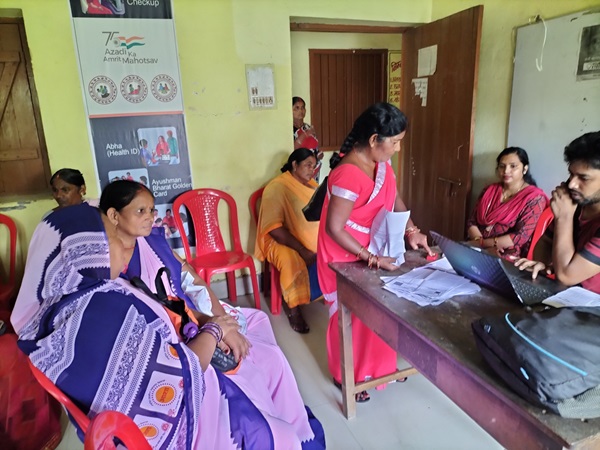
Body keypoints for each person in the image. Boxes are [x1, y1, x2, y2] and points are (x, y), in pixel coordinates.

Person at [11, 202, 325, 450]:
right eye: (111, 239)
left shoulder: (75, 303)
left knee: (260, 368)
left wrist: (209, 325)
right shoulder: (99, 316)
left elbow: (183, 287)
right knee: (276, 427)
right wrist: (214, 330)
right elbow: (183, 374)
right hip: (180, 421)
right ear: (84, 252)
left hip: (171, 389)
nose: (123, 245)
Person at [98, 180, 325, 448]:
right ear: (114, 216)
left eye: (151, 210)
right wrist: (216, 330)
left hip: (193, 317)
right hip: (181, 339)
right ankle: (269, 420)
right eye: (140, 211)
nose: (150, 217)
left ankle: (287, 420)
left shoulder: (153, 243)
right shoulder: (108, 269)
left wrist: (223, 322)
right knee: (254, 366)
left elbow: (191, 280)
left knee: (261, 331)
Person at [317, 102, 432, 403]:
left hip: (376, 243)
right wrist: (370, 257)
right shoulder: (347, 174)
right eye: (395, 142)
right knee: (352, 315)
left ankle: (380, 368)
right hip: (344, 252)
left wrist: (412, 231)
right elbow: (335, 228)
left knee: (382, 308)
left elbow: (394, 198)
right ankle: (346, 375)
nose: (397, 148)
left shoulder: (381, 164)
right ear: (373, 140)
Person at [516, 132, 600, 294]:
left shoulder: (568, 210)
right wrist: (545, 264)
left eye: (583, 178)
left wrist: (564, 217)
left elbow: (566, 276)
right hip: (565, 297)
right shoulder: (578, 203)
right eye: (571, 174)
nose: (572, 184)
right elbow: (545, 243)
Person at [255, 148, 321, 333]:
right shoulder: (277, 187)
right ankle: (294, 309)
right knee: (290, 260)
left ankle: (323, 293)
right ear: (294, 164)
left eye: (314, 166)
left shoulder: (312, 185)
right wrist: (302, 249)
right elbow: (274, 229)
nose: (312, 170)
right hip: (279, 239)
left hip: (304, 236)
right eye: (308, 165)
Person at [466, 147, 549, 257]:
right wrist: (478, 242)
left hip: (506, 253)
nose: (506, 171)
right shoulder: (489, 191)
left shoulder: (535, 199)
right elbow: (472, 221)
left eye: (513, 166)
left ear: (525, 169)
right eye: (502, 166)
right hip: (476, 246)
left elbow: (521, 236)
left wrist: (485, 244)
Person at [293, 96, 323, 180]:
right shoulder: (289, 130)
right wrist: (305, 135)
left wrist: (319, 154)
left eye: (303, 107)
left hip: (314, 169)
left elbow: (315, 145)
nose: (301, 111)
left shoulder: (308, 127)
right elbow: (292, 149)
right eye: (297, 108)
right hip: (300, 171)